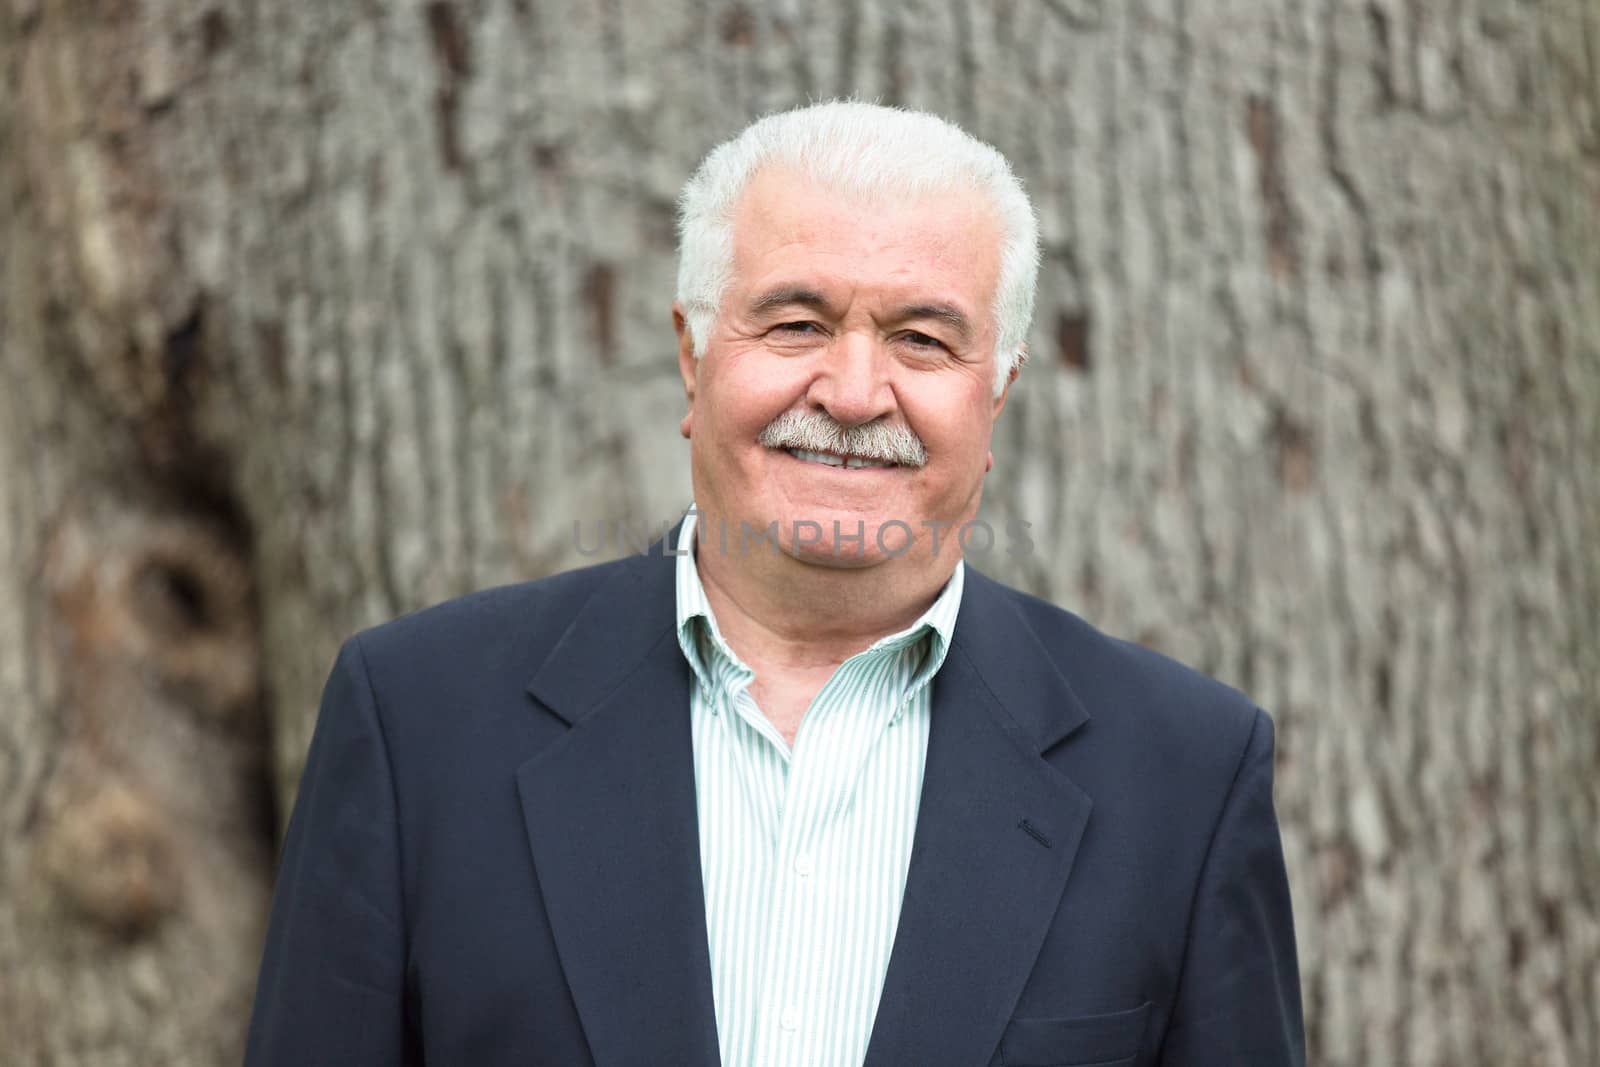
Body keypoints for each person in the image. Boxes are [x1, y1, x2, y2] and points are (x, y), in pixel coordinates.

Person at [244, 101, 1304, 1067]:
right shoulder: (419, 723)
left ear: (998, 392)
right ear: (691, 355)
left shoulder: (1182, 776)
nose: (850, 392)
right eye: (795, 323)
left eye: (921, 339)